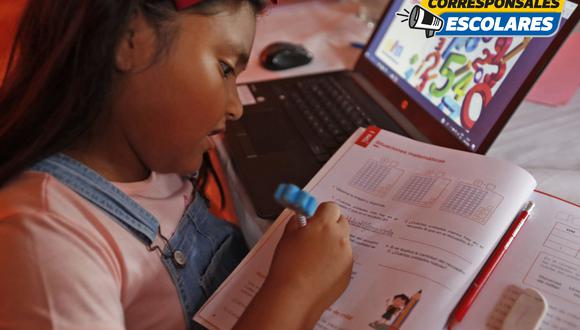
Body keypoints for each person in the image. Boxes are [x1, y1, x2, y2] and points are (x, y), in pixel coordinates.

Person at [0, 0, 353, 329]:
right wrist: (296, 290)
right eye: (225, 68)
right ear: (129, 40)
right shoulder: (45, 246)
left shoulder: (151, 161)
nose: (235, 106)